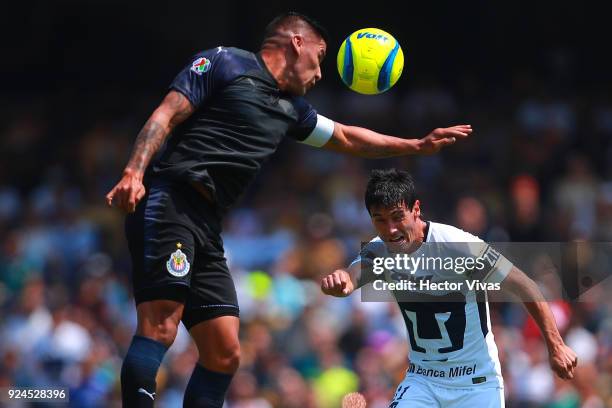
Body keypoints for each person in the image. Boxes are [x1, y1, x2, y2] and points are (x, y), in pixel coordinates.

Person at [106, 11, 473, 407]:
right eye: (320, 55)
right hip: (171, 199)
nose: (320, 72)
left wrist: (416, 145)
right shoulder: (225, 62)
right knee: (161, 325)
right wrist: (134, 171)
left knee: (224, 353)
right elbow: (166, 113)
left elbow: (348, 138)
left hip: (207, 225)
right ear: (297, 43)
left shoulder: (291, 110)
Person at [321, 168, 578, 408]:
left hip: (476, 384)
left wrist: (556, 345)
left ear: (416, 209)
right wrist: (342, 280)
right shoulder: (379, 251)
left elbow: (525, 285)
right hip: (423, 381)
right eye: (380, 220)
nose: (391, 229)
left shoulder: (458, 245)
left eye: (398, 217)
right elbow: (353, 275)